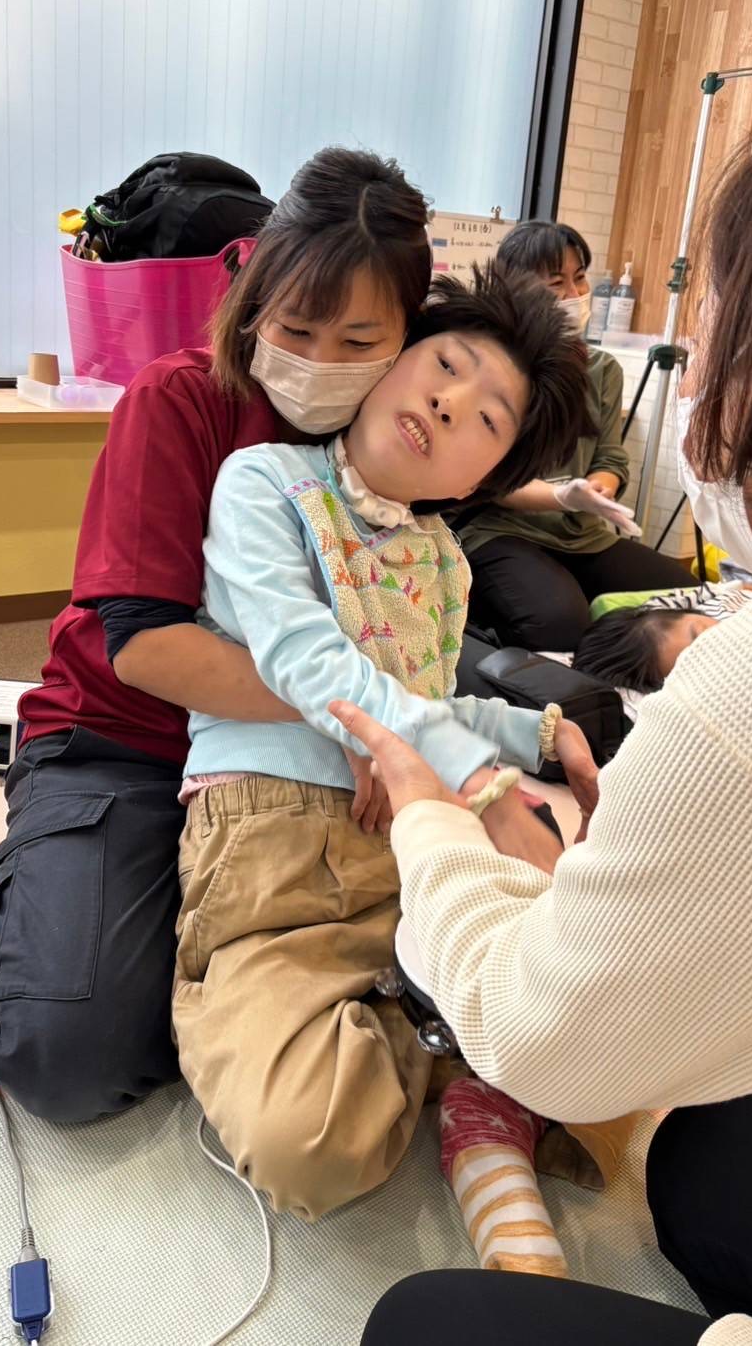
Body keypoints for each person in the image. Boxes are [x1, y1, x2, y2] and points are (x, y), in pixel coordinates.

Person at [336, 105, 752, 1346]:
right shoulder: (275, 486)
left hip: (487, 854)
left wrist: (434, 801)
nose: (696, 368)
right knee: (706, 1155)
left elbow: (530, 1027)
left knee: (419, 1315)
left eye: (712, 323)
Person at [0, 147, 442, 1124]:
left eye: (359, 339)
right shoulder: (181, 400)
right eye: (296, 328)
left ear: (406, 339)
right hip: (128, 744)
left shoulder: (395, 433)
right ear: (253, 294)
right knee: (63, 1051)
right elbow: (145, 647)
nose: (322, 362)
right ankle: (76, 909)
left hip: (298, 766)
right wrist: (350, 715)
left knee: (471, 946)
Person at [173, 266, 624, 1235]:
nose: (450, 401)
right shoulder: (267, 482)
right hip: (273, 848)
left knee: (606, 988)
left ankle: (442, 1035)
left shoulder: (446, 561)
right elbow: (307, 658)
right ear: (390, 364)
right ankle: (452, 1052)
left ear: (479, 482)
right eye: (445, 365)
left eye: (487, 418)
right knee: (308, 1144)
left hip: (412, 849)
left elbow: (428, 701)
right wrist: (484, 780)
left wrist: (539, 731)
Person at [459, 220, 694, 651]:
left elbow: (610, 457)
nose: (573, 294)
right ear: (515, 289)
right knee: (558, 623)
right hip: (499, 529)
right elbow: (486, 480)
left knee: (687, 597)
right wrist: (562, 496)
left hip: (580, 534)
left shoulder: (601, 370)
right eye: (556, 282)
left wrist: (600, 490)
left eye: (580, 278)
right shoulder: (495, 367)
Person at [572, 578, 752, 692]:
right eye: (702, 661)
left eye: (701, 633)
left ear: (692, 613)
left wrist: (741, 587)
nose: (722, 645)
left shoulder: (719, 604)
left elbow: (668, 604)